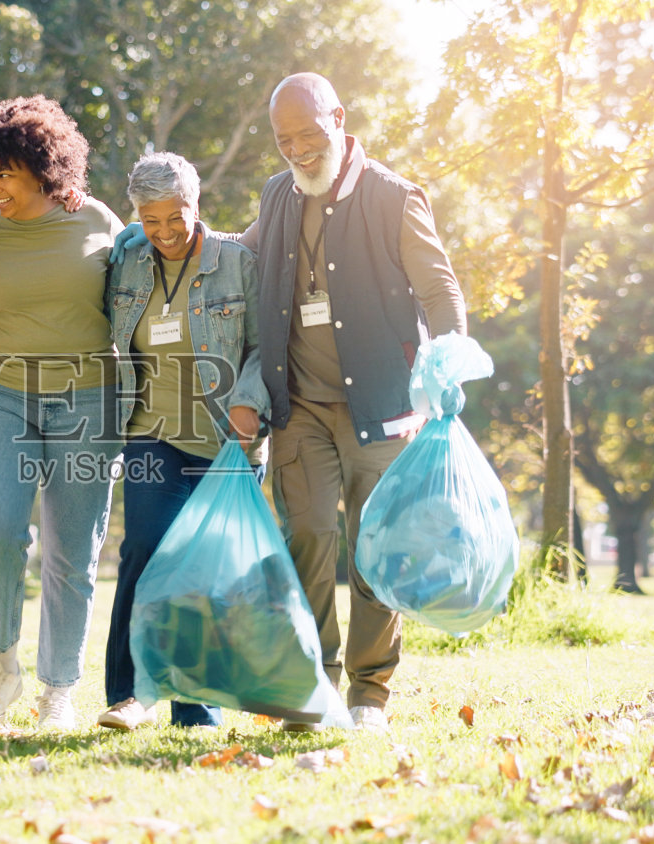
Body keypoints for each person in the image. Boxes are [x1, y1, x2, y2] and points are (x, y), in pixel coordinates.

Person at [246, 73, 468, 731]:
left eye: (310, 136)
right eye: (286, 142)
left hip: (384, 404)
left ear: (339, 118)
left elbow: (441, 291)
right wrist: (175, 237)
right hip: (302, 407)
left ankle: (369, 693)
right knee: (307, 533)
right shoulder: (277, 195)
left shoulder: (394, 197)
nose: (300, 153)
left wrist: (447, 360)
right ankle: (314, 686)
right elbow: (243, 253)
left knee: (374, 547)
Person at [0, 95, 125, 730]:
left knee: (72, 547)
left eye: (6, 174)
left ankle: (59, 689)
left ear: (44, 169)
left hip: (88, 396)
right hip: (3, 393)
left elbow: (133, 302)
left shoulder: (98, 222)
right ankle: (2, 666)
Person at [98, 152, 269, 730]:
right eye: (151, 221)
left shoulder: (239, 264)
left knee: (209, 570)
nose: (166, 232)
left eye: (177, 217)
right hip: (151, 433)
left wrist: (251, 404)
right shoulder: (128, 262)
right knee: (144, 551)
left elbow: (267, 346)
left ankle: (195, 706)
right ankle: (127, 694)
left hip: (228, 439)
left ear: (197, 205)